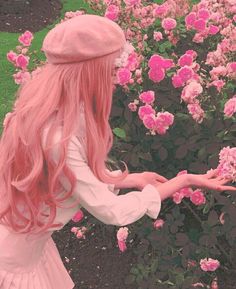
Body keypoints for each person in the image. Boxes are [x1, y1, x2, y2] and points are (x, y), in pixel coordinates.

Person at [0, 14, 235, 289]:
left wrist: (131, 179)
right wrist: (183, 181)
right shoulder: (57, 138)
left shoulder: (47, 112)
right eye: (111, 72)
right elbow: (112, 211)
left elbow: (73, 176)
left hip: (21, 245)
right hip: (17, 262)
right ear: (88, 73)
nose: (116, 81)